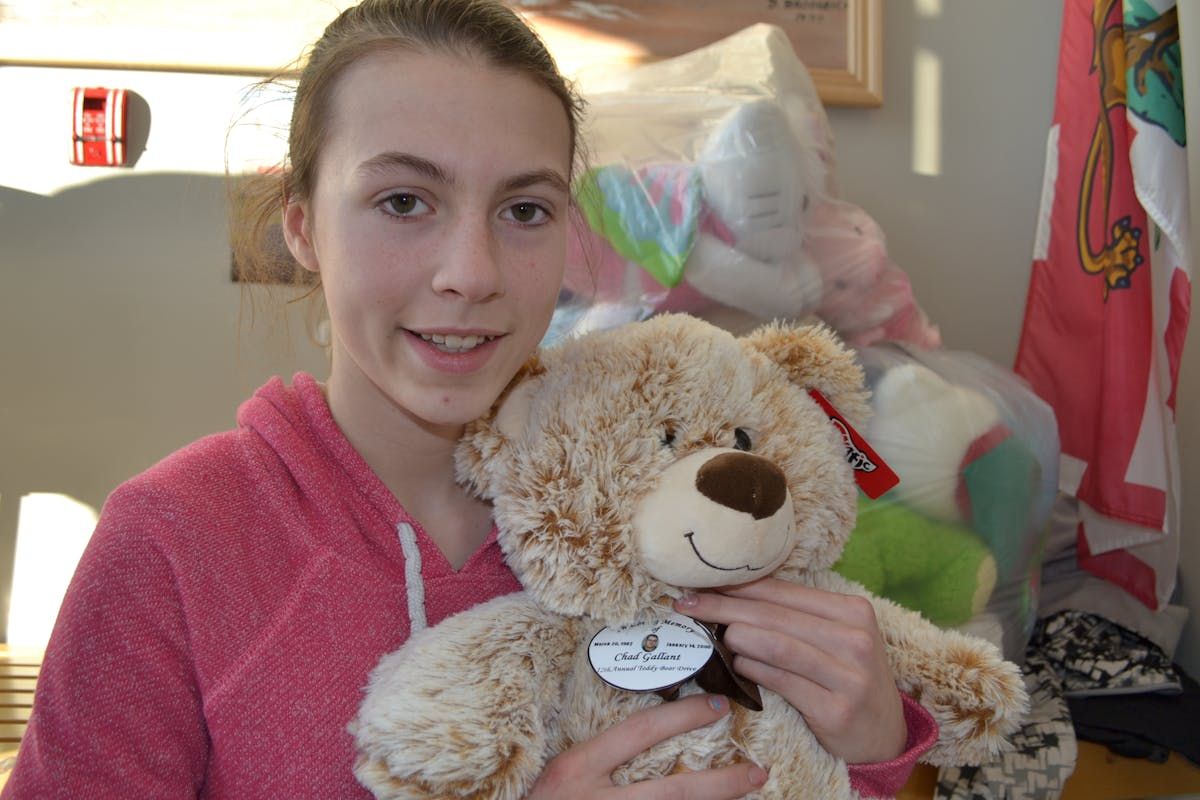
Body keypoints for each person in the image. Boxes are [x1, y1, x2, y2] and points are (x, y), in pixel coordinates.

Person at [2, 1, 935, 797]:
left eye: (524, 210)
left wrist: (876, 750)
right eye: (404, 201)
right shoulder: (172, 542)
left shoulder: (661, 499)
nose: (471, 273)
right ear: (302, 226)